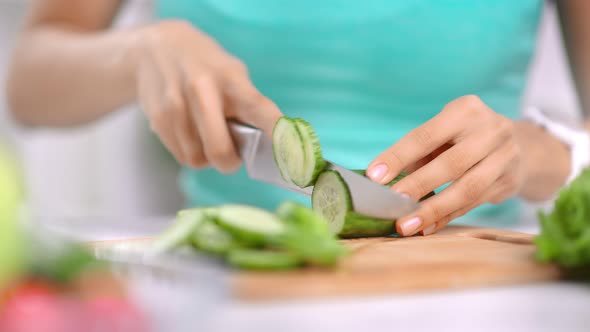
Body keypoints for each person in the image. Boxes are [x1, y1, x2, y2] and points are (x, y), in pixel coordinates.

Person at [6, 1, 590, 237]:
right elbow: (28, 85)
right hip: (225, 290)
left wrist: (538, 151)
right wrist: (134, 53)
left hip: (485, 288)